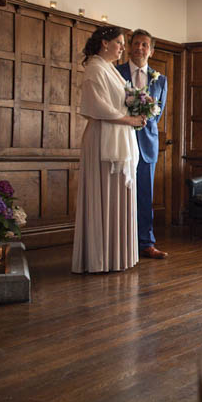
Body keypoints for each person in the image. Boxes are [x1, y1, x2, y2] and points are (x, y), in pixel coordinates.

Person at [72, 26, 147, 273]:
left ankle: (116, 255)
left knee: (118, 195)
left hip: (118, 136)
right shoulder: (94, 68)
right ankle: (100, 256)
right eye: (119, 42)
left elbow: (121, 102)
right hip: (103, 138)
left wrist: (139, 112)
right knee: (104, 194)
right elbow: (95, 106)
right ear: (104, 43)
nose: (123, 48)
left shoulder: (110, 69)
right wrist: (130, 120)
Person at [116, 29, 169, 259]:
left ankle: (146, 243)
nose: (139, 48)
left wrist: (143, 117)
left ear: (151, 50)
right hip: (119, 140)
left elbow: (157, 114)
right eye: (136, 44)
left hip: (147, 145)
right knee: (119, 194)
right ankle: (119, 242)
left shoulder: (160, 79)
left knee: (145, 197)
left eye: (144, 45)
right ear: (129, 47)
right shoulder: (116, 73)